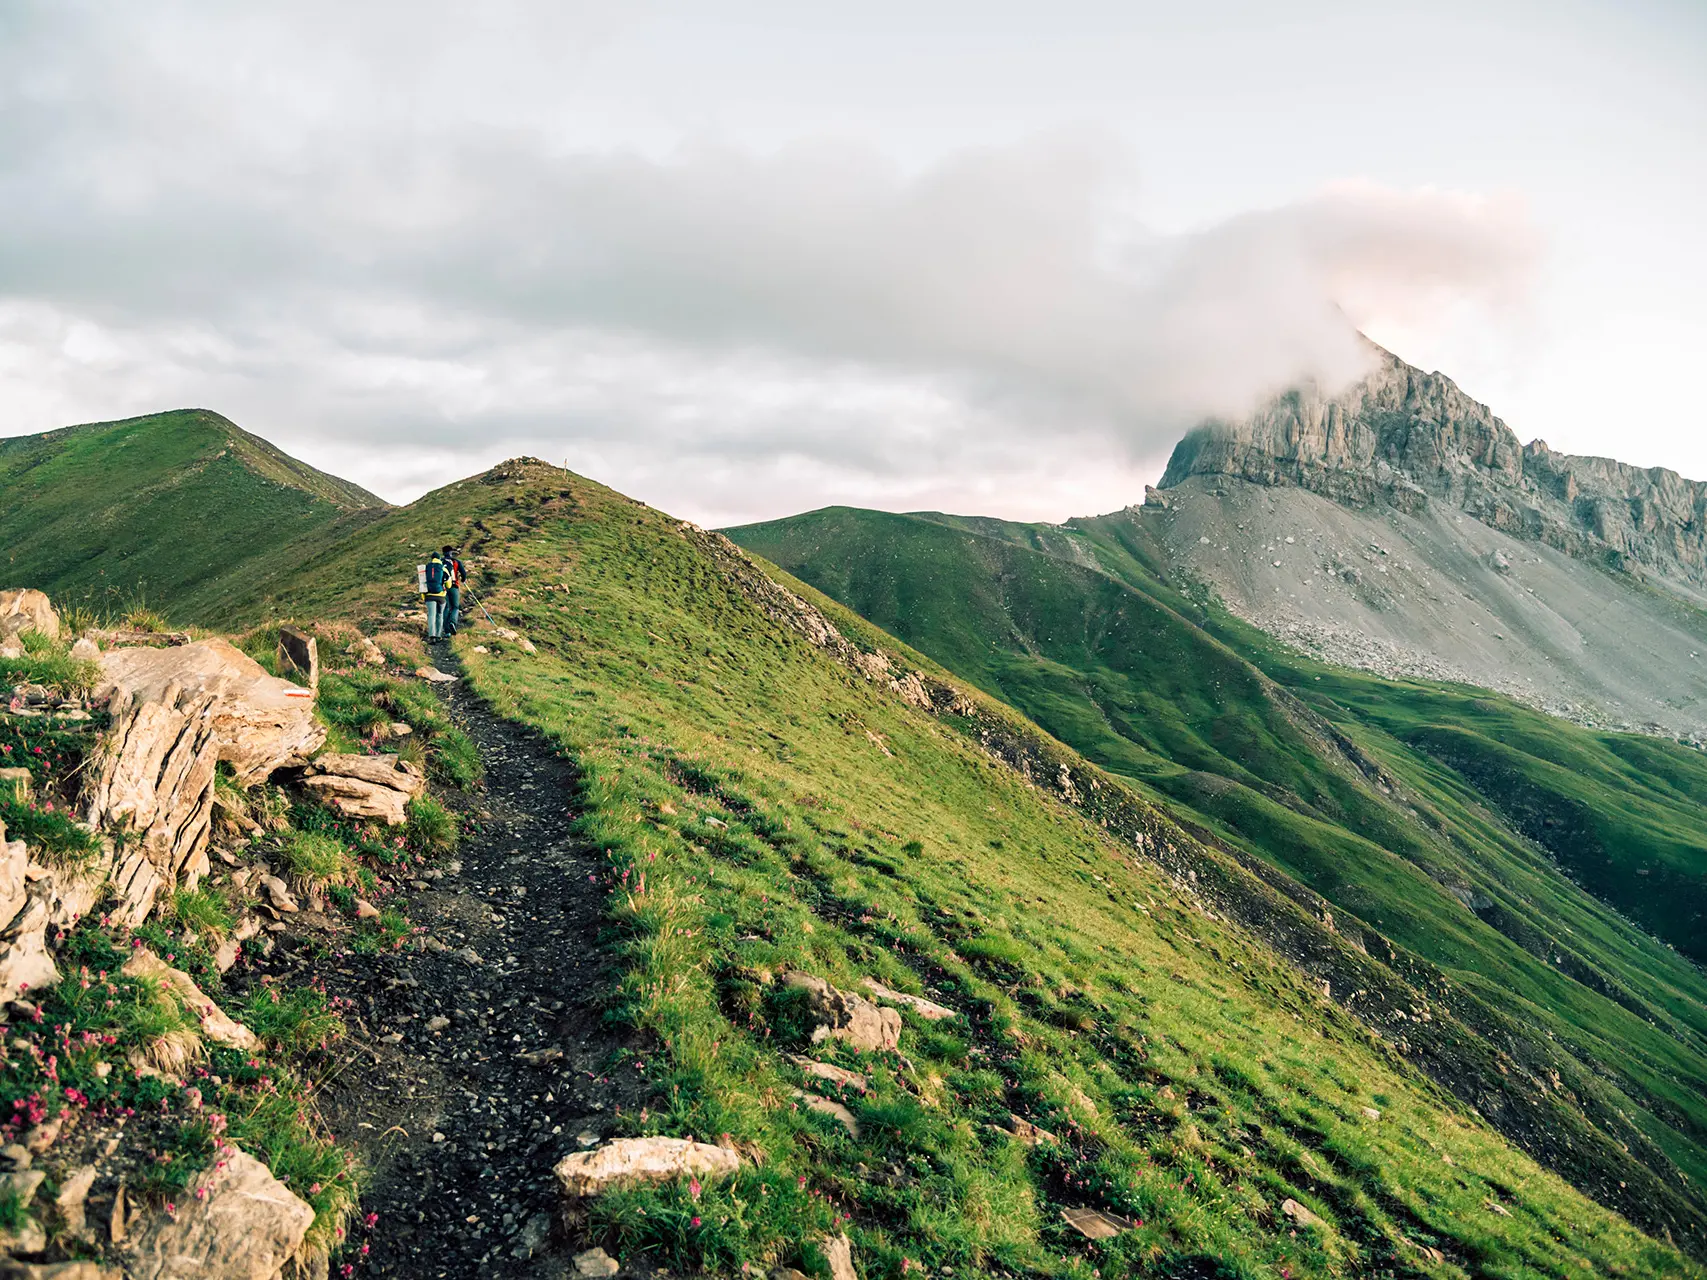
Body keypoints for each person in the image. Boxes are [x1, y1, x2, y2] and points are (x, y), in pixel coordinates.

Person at [421, 549, 449, 641]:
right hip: (441, 596)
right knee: (440, 615)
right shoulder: (443, 568)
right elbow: (449, 584)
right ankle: (438, 635)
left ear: (432, 558)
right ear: (439, 558)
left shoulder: (425, 568)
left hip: (429, 596)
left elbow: (422, 583)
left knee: (431, 615)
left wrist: (423, 595)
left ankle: (432, 636)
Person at [442, 545, 466, 636]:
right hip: (454, 586)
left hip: (443, 588)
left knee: (446, 608)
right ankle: (452, 622)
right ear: (451, 552)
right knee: (455, 607)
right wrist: (463, 579)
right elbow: (463, 573)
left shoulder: (440, 562)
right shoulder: (456, 562)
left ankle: (447, 631)